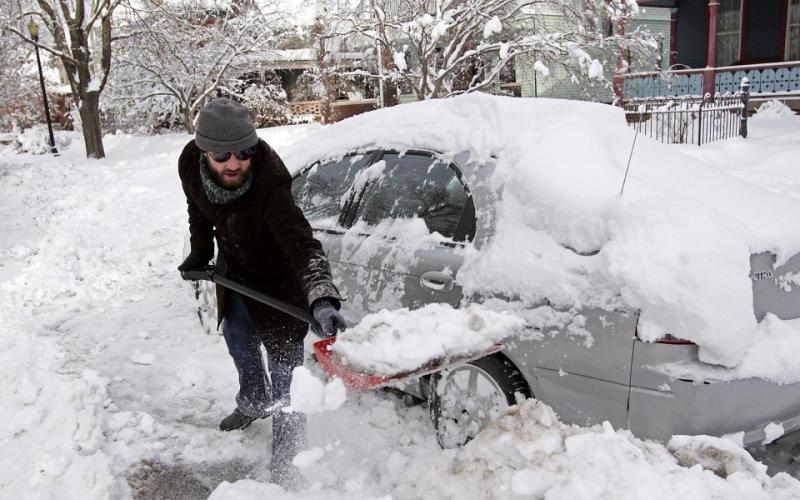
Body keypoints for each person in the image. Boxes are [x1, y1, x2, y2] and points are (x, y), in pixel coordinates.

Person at [176, 98, 346, 488]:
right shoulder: (189, 163)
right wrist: (201, 252)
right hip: (234, 277)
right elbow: (198, 208)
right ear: (203, 151)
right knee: (239, 343)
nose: (235, 162)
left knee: (288, 381)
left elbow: (303, 244)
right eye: (222, 154)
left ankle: (286, 466)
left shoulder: (270, 183)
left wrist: (320, 295)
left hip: (279, 288)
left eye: (244, 151)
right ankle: (252, 401)